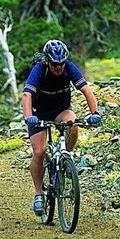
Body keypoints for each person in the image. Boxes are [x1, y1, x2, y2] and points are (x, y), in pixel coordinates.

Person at [22, 39, 101, 215]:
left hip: (61, 110)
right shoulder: (39, 69)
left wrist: (95, 113)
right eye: (54, 64)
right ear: (47, 61)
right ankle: (38, 194)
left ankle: (68, 157)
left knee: (72, 124)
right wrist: (29, 117)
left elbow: (86, 90)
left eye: (61, 64)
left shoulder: (70, 68)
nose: (58, 67)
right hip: (38, 113)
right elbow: (27, 95)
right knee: (40, 152)